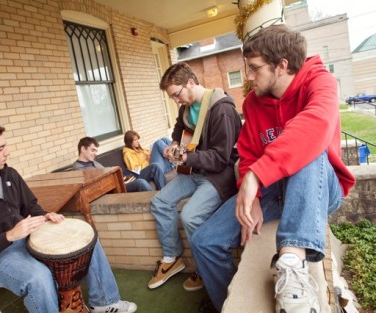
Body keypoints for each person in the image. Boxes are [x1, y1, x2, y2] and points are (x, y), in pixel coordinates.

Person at [190, 25, 356, 313]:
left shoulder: (321, 82)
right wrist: (252, 196)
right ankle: (226, 303)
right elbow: (249, 153)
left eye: (254, 68)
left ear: (281, 66)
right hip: (272, 188)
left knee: (309, 148)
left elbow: (313, 126)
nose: (248, 76)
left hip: (318, 186)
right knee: (204, 242)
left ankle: (291, 264)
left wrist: (255, 177)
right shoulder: (253, 103)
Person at [0, 122, 137, 313]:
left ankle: (104, 302)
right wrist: (9, 236)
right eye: (0, 148)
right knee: (39, 276)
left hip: (28, 239)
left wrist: (45, 215)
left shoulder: (9, 175)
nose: (7, 152)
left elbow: (30, 206)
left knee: (87, 240)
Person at [147, 62, 242, 292]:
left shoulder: (222, 110)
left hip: (219, 175)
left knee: (190, 216)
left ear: (190, 83)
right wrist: (174, 145)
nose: (176, 101)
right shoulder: (186, 108)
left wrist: (187, 158)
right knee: (159, 202)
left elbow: (220, 158)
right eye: (173, 97)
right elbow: (179, 129)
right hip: (193, 171)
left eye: (177, 94)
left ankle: (203, 269)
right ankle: (172, 258)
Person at [73, 136, 152, 192]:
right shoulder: (77, 169)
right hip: (112, 188)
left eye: (96, 151)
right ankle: (158, 203)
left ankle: (163, 200)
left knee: (153, 167)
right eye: (93, 150)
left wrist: (123, 177)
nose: (96, 154)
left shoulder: (93, 162)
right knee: (141, 182)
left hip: (120, 181)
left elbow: (107, 172)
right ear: (83, 149)